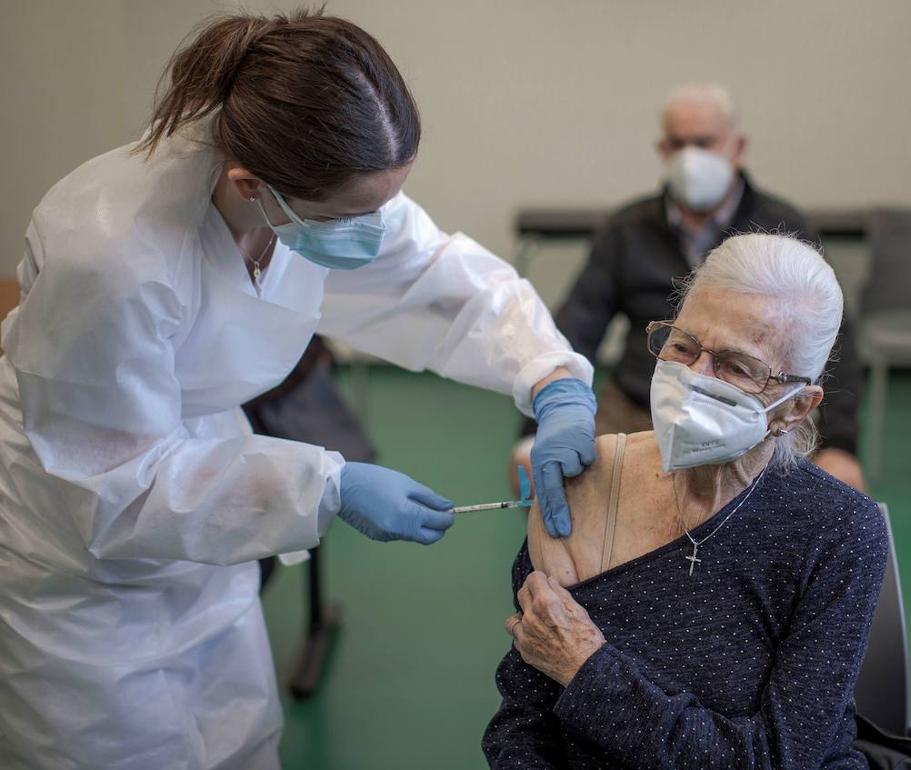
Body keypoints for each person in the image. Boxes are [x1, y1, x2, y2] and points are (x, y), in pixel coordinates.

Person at [0, 11, 596, 769]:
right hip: (76, 552)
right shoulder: (110, 254)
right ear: (252, 186)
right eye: (355, 215)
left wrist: (552, 380)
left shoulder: (304, 185)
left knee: (237, 738)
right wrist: (326, 485)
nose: (375, 231)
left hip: (203, 499)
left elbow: (439, 281)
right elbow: (117, 489)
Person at [484, 234, 887, 768]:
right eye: (682, 346)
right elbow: (522, 726)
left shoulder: (836, 530)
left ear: (796, 407)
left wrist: (586, 667)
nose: (693, 378)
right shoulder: (584, 487)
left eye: (737, 367)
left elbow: (778, 759)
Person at [514, 83, 865, 492]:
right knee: (557, 477)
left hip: (747, 413)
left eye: (704, 142)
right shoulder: (627, 229)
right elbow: (577, 324)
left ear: (737, 147)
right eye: (678, 144)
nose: (690, 157)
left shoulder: (782, 229)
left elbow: (834, 341)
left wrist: (841, 444)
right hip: (640, 404)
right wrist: (539, 425)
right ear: (662, 150)